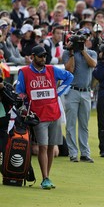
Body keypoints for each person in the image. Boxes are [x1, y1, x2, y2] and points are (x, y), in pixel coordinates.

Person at [16, 45, 73, 190]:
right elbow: (20, 92)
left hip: (54, 113)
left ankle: (47, 176)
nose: (43, 58)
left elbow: (69, 77)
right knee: (43, 146)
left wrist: (58, 93)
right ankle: (45, 178)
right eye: (40, 56)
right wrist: (24, 104)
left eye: (45, 56)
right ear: (33, 56)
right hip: (37, 115)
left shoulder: (51, 69)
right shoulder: (24, 72)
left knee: (52, 147)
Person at [62, 29, 97, 163]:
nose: (82, 43)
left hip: (86, 91)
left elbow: (93, 64)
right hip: (72, 91)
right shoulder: (67, 53)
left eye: (84, 41)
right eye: (79, 42)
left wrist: (83, 51)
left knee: (84, 125)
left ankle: (85, 153)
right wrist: (72, 53)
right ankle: (73, 153)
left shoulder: (91, 52)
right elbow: (69, 69)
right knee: (71, 124)